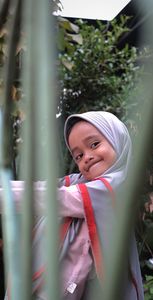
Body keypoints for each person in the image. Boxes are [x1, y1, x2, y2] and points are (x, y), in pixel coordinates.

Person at [3, 111, 144, 300]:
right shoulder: (82, 182)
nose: (87, 157)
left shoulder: (116, 188)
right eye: (78, 156)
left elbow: (52, 198)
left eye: (94, 144)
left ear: (117, 139)